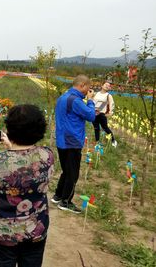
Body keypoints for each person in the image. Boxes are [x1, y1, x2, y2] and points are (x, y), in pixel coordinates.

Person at [0, 104, 53, 267]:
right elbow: (25, 160)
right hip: (35, 230)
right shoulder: (47, 155)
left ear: (10, 129)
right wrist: (12, 147)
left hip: (2, 234)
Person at [52, 75, 96, 213]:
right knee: (73, 174)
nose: (88, 91)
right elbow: (91, 116)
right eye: (88, 88)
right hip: (72, 141)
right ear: (82, 85)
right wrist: (90, 101)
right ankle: (66, 202)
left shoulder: (64, 97)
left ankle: (58, 195)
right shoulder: (76, 101)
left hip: (62, 139)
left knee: (67, 170)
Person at [93, 81, 117, 147]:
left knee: (105, 128)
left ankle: (113, 140)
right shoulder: (96, 93)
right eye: (106, 84)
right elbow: (92, 102)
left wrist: (109, 114)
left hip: (102, 114)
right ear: (102, 86)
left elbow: (112, 105)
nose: (107, 86)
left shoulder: (108, 96)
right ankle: (97, 142)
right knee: (96, 128)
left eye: (109, 86)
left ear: (109, 88)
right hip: (94, 113)